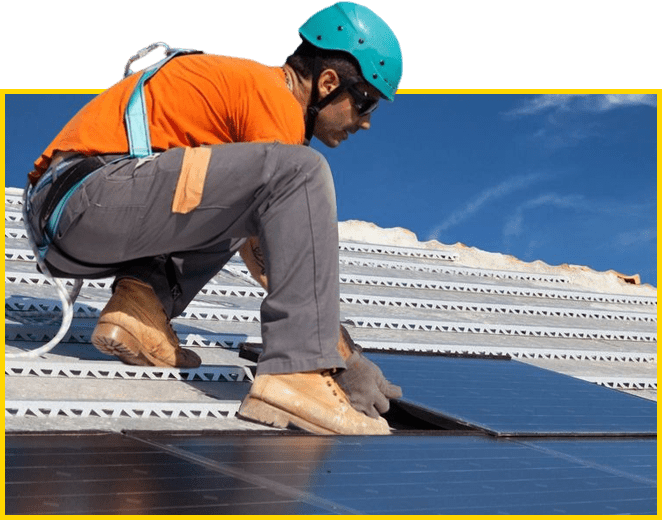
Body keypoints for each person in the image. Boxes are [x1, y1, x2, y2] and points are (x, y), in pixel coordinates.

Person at [24, 2, 403, 435]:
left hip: (76, 214)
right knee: (302, 172)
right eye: (366, 104)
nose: (367, 123)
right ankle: (296, 376)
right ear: (328, 82)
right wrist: (339, 357)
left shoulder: (250, 98)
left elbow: (258, 235)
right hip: (85, 200)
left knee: (249, 203)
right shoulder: (273, 100)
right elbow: (282, 255)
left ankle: (139, 311)